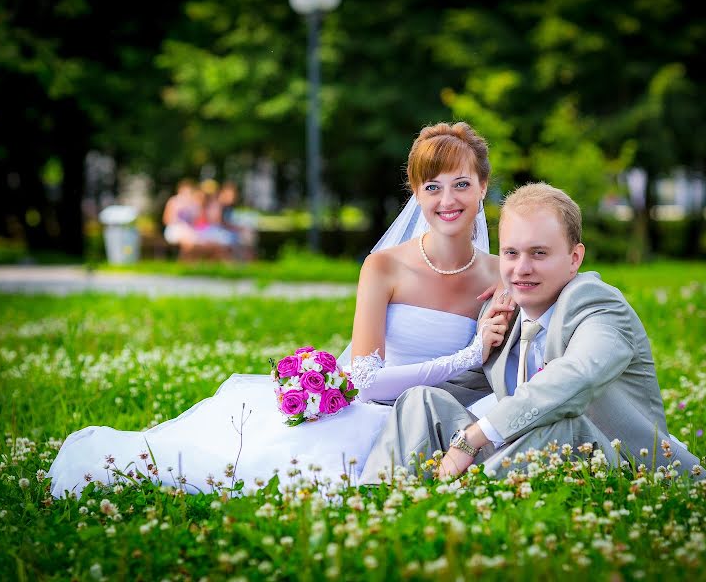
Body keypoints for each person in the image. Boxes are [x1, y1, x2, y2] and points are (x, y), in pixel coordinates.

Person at [48, 122, 503, 497]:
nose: (448, 201)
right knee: (264, 474)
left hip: (442, 422)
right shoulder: (384, 267)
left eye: (462, 184)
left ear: (483, 186)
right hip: (372, 412)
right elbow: (363, 381)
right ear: (416, 194)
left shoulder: (502, 273)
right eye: (433, 187)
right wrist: (467, 355)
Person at [360, 182, 706, 484]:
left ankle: (465, 501)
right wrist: (352, 399)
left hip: (622, 470)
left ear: (574, 258)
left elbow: (576, 376)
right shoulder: (505, 314)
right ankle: (381, 498)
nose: (522, 269)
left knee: (559, 426)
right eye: (511, 253)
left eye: (539, 254)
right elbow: (461, 388)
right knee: (422, 399)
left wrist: (474, 436)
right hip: (523, 460)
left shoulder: (598, 306)